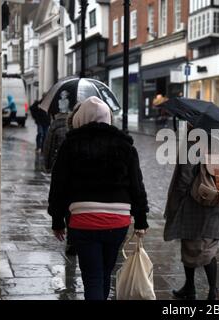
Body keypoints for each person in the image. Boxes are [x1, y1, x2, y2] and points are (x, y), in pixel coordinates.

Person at [48, 96, 149, 300]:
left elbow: (59, 185)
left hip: (84, 219)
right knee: (105, 272)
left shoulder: (71, 145)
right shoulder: (125, 146)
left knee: (92, 277)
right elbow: (137, 185)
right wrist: (141, 220)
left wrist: (57, 219)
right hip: (118, 219)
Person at [164, 124, 219, 300]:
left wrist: (177, 200)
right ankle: (197, 288)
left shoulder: (192, 142)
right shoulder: (215, 142)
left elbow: (185, 176)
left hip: (193, 203)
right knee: (207, 245)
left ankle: (207, 290)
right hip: (212, 199)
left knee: (193, 245)